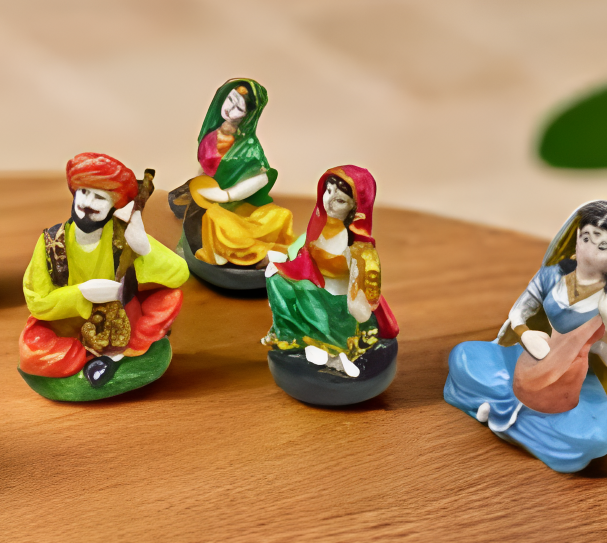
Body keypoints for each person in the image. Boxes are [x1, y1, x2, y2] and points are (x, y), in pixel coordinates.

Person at [444, 200, 607, 473]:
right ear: (575, 238)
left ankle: (501, 411)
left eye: (603, 246)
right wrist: (525, 335)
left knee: (595, 437)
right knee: (463, 357)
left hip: (576, 381)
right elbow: (519, 312)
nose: (589, 251)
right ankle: (526, 426)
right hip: (533, 356)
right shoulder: (551, 276)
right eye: (586, 238)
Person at [20, 152, 189, 394]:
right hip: (68, 325)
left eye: (99, 197)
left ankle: (120, 354)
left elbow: (178, 274)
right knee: (33, 351)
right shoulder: (51, 241)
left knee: (169, 299)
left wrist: (144, 247)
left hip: (122, 321)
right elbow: (37, 301)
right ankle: (86, 356)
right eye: (84, 192)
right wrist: (83, 294)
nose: (87, 203)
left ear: (114, 206)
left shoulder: (123, 236)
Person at [264, 165, 398, 376]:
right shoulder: (320, 225)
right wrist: (286, 264)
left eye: (340, 200)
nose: (329, 201)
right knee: (275, 278)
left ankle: (329, 348)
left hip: (338, 299)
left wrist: (359, 300)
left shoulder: (359, 248)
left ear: (355, 207)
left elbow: (360, 302)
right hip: (315, 282)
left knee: (310, 298)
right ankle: (290, 335)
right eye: (327, 192)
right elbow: (305, 253)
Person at [176, 78, 294, 269]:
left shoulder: (249, 146)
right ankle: (229, 250)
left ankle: (259, 254)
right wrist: (201, 185)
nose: (230, 109)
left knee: (278, 216)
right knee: (211, 219)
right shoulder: (210, 134)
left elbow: (262, 177)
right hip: (209, 196)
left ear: (247, 114)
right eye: (230, 100)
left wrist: (228, 195)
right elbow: (205, 168)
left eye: (239, 108)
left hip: (237, 202)